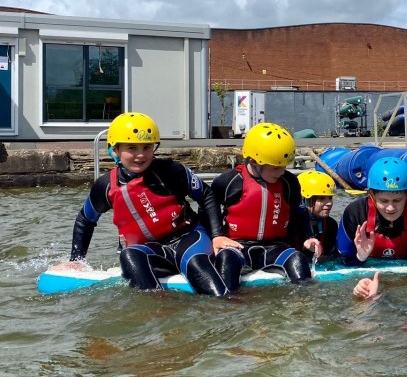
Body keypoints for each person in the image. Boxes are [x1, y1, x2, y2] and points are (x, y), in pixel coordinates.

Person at [59, 112, 240, 297]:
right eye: (132, 148)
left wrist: (217, 235)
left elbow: (206, 195)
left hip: (188, 239)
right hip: (151, 251)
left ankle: (227, 305)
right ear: (115, 150)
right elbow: (85, 220)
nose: (140, 155)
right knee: (128, 255)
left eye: (147, 147)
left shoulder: (172, 171)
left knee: (197, 266)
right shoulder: (105, 187)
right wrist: (77, 260)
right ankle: (159, 308)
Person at [210, 123, 321, 289]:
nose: (282, 171)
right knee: (226, 261)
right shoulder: (228, 182)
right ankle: (230, 309)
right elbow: (208, 209)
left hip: (275, 247)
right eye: (276, 167)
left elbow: (299, 213)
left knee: (298, 259)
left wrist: (308, 237)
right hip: (238, 247)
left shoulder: (289, 183)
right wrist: (216, 235)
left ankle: (302, 309)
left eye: (284, 166)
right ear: (254, 161)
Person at [337, 157, 407, 266]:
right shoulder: (355, 213)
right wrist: (360, 257)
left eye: (397, 200)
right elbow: (339, 262)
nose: (390, 208)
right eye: (384, 201)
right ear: (372, 195)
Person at [297, 170, 339, 259]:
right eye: (321, 198)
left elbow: (332, 257)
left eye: (330, 198)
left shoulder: (331, 225)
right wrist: (303, 247)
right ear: (305, 200)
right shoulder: (291, 224)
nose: (329, 203)